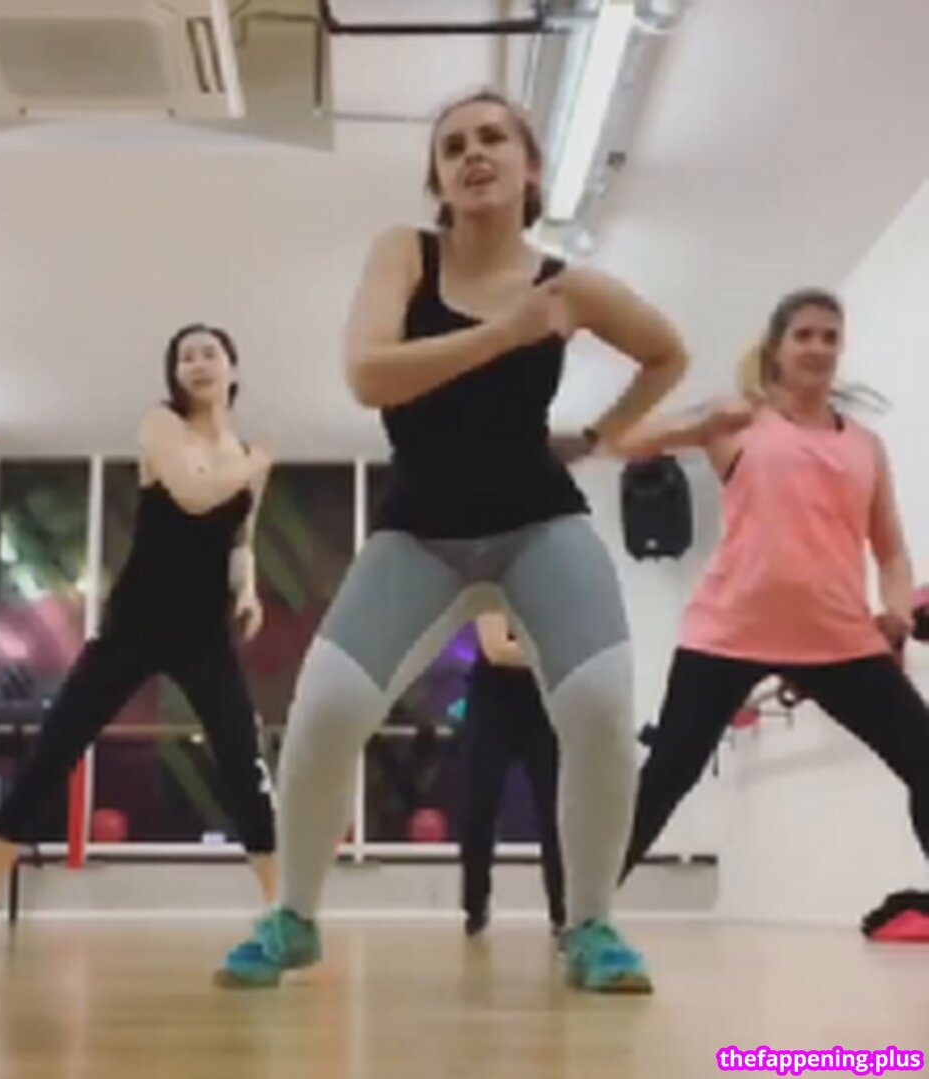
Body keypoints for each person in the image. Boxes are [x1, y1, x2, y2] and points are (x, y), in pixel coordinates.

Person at [216, 88, 689, 993]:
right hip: (421, 530)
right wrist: (509, 332)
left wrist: (600, 437)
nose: (473, 154)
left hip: (539, 521)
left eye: (493, 139)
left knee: (599, 708)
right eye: (452, 145)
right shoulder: (406, 253)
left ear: (530, 169)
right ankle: (294, 918)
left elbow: (667, 351)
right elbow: (368, 375)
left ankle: (591, 924)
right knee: (323, 711)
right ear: (436, 178)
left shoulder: (570, 286)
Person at [0, 324, 278, 952]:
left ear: (232, 370)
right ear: (174, 374)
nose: (197, 364)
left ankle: (282, 915)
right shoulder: (162, 426)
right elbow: (194, 496)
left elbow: (240, 538)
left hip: (203, 633)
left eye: (209, 354)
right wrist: (253, 464)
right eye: (185, 357)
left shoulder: (245, 456)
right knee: (54, 751)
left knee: (244, 763)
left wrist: (247, 591)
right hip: (135, 625)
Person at [614, 289, 929, 882]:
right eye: (804, 335)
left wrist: (896, 611)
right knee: (668, 776)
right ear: (776, 348)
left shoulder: (865, 446)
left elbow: (890, 550)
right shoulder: (739, 422)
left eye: (830, 337)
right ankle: (580, 912)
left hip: (838, 638)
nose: (818, 347)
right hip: (728, 631)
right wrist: (700, 425)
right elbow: (623, 441)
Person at [460, 611, 565, 940]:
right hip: (493, 703)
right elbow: (497, 650)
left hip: (543, 704)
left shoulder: (555, 595)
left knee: (555, 810)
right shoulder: (494, 589)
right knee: (481, 802)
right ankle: (475, 907)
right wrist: (556, 654)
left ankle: (563, 912)